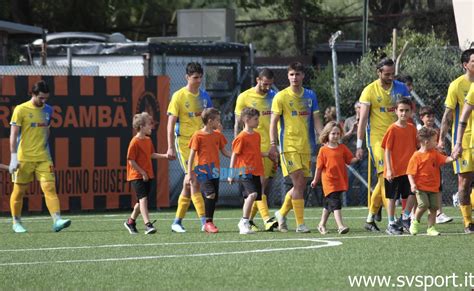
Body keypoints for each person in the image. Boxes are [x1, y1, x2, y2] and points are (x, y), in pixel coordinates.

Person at [356, 58, 411, 232]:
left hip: (399, 139)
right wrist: (359, 145)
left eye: (392, 73)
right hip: (378, 140)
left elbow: (409, 112)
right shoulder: (369, 91)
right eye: (387, 74)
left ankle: (371, 217)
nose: (390, 77)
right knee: (386, 176)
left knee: (387, 180)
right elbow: (363, 119)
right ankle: (392, 222)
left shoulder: (401, 88)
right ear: (378, 72)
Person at [8, 80, 71, 233]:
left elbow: (47, 130)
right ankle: (16, 222)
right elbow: (14, 134)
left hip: (44, 157)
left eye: (46, 98)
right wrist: (13, 158)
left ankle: (57, 220)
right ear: (33, 94)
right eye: (41, 98)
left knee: (49, 187)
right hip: (24, 158)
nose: (44, 101)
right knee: (19, 191)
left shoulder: (48, 110)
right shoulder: (20, 109)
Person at [269, 62, 323, 233]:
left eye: (298, 74)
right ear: (288, 76)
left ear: (303, 76)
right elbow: (273, 123)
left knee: (300, 185)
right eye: (291, 74)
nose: (295, 78)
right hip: (288, 146)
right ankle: (300, 224)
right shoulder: (281, 97)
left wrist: (324, 139)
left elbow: (316, 121)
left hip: (307, 146)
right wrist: (273, 144)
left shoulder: (310, 96)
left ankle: (281, 213)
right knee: (298, 182)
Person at [167, 62, 213, 233]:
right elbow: (170, 123)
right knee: (193, 180)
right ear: (187, 77)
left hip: (201, 145)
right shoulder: (178, 96)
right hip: (185, 145)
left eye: (200, 77)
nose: (198, 80)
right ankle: (204, 222)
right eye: (195, 77)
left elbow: (211, 118)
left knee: (190, 184)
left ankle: (177, 221)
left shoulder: (204, 96)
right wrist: (171, 147)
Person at [234, 68, 278, 232]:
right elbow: (238, 122)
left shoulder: (274, 97)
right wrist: (236, 141)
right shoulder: (244, 97)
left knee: (262, 188)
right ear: (258, 80)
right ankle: (267, 219)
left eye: (270, 84)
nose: (268, 87)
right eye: (265, 84)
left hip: (268, 147)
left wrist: (275, 145)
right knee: (258, 187)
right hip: (251, 150)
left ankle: (248, 220)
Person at [440, 49, 474, 234]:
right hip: (465, 141)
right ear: (465, 65)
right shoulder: (456, 85)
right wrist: (441, 140)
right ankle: (468, 222)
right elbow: (448, 115)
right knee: (464, 184)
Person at [186, 108, 231, 233]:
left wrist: (237, 156)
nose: (219, 122)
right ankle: (208, 223)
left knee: (213, 197)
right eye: (218, 120)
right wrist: (189, 173)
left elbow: (225, 151)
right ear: (210, 121)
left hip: (215, 171)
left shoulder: (217, 135)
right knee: (210, 194)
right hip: (202, 170)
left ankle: (208, 222)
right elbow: (191, 156)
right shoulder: (197, 135)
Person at [123, 112, 168, 235]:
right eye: (149, 124)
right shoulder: (134, 142)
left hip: (147, 175)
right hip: (136, 176)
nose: (151, 127)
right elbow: (130, 160)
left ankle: (130, 222)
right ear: (141, 126)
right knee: (143, 199)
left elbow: (151, 154)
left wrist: (165, 156)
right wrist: (142, 172)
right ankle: (148, 225)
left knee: (140, 201)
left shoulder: (148, 140)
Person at [311, 121, 358, 235]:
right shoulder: (323, 150)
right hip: (329, 181)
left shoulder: (342, 147)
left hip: (340, 180)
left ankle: (321, 224)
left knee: (329, 204)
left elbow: (350, 160)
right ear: (327, 134)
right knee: (335, 202)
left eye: (337, 133)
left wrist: (357, 157)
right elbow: (318, 167)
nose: (335, 136)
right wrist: (315, 180)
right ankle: (340, 226)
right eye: (333, 133)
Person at [407, 127, 456, 236]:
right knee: (423, 205)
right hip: (421, 187)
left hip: (434, 187)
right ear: (426, 142)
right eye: (435, 140)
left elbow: (445, 159)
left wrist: (453, 157)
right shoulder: (416, 156)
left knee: (434, 207)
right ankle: (415, 221)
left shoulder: (434, 153)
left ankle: (431, 228)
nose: (436, 143)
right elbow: (410, 172)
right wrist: (413, 184)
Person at [381, 98, 418, 235]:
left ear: (411, 112)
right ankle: (391, 223)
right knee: (392, 198)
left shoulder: (412, 129)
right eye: (401, 110)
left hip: (408, 171)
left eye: (406, 110)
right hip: (394, 171)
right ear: (396, 111)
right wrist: (389, 169)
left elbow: (416, 147)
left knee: (413, 193)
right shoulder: (392, 129)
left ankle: (405, 217)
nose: (403, 113)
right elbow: (387, 150)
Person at [229, 107, 265, 234]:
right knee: (252, 194)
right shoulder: (241, 137)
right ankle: (244, 221)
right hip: (244, 171)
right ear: (247, 120)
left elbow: (255, 152)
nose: (258, 121)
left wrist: (267, 154)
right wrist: (231, 173)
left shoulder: (257, 135)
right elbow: (234, 154)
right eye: (256, 119)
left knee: (250, 198)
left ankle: (245, 222)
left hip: (255, 171)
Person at [418, 106, 453, 224]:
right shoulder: (420, 132)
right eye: (428, 116)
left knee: (438, 188)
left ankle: (439, 213)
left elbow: (437, 150)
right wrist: (436, 147)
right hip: (423, 167)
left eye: (433, 116)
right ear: (421, 118)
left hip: (434, 166)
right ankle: (412, 215)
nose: (431, 119)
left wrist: (441, 151)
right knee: (417, 193)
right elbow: (421, 148)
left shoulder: (436, 132)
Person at [451, 82, 474, 233]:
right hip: (469, 142)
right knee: (464, 183)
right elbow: (463, 116)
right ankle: (468, 222)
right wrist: (458, 143)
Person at [343, 101, 368, 206]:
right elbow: (343, 138)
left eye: (361, 107)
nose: (360, 109)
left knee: (365, 179)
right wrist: (352, 130)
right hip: (351, 155)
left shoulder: (368, 120)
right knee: (349, 179)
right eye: (358, 107)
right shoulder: (349, 121)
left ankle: (364, 203)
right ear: (355, 109)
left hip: (364, 155)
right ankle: (347, 202)